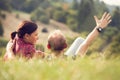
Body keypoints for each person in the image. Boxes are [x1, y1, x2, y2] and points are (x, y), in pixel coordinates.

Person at [47, 12, 112, 58]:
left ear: (48, 46)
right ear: (65, 45)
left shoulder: (44, 60)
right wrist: (99, 27)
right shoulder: (72, 60)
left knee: (80, 41)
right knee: (81, 41)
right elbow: (87, 43)